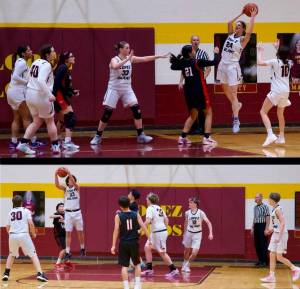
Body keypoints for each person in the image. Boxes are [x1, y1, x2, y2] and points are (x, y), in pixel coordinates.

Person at [90, 41, 169, 145]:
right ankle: (98, 136)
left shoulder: (130, 58)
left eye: (129, 48)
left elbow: (145, 58)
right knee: (107, 113)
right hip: (114, 89)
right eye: (126, 48)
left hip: (127, 88)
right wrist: (128, 59)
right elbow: (115, 66)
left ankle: (141, 135)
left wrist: (159, 56)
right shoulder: (114, 59)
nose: (129, 49)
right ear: (121, 49)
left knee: (136, 109)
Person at [216, 7, 257, 133]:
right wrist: (241, 13)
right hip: (223, 64)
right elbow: (229, 23)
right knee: (224, 88)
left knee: (234, 94)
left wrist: (252, 17)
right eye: (236, 26)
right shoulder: (230, 35)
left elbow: (249, 33)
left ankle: (236, 119)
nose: (236, 27)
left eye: (239, 26)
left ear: (243, 29)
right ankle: (237, 105)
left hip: (232, 67)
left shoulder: (243, 40)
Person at [170, 45, 220, 145]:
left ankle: (182, 137)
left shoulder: (182, 63)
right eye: (192, 50)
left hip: (188, 93)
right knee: (209, 112)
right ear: (189, 53)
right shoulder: (197, 61)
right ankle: (206, 137)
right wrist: (216, 53)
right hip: (199, 92)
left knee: (193, 115)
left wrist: (180, 55)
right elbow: (214, 62)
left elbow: (173, 66)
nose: (194, 50)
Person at [16, 44, 60, 155]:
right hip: (41, 95)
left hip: (30, 94)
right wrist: (49, 94)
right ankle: (55, 147)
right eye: (53, 51)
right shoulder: (47, 65)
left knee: (36, 121)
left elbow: (28, 78)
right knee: (50, 121)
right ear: (47, 54)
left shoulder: (36, 62)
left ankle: (23, 143)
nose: (55, 53)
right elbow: (41, 81)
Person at [2, 195, 48, 282]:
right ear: (21, 203)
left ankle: (6, 274)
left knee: (11, 254)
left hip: (12, 235)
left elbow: (7, 227)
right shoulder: (26, 210)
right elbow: (31, 223)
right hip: (23, 235)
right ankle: (40, 274)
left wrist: (12, 235)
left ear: (13, 203)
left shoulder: (10, 212)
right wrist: (33, 233)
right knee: (33, 254)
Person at [6, 45, 43, 149]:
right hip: (17, 93)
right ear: (23, 53)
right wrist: (27, 82)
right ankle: (33, 141)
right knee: (27, 119)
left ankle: (13, 142)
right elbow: (15, 77)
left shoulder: (19, 62)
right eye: (28, 50)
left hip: (12, 92)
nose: (31, 51)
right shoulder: (22, 62)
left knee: (16, 118)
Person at [111, 196, 150, 289]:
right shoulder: (135, 214)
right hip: (133, 243)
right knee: (137, 264)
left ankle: (126, 286)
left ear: (120, 206)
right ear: (129, 204)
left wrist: (113, 245)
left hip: (123, 243)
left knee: (124, 266)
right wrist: (150, 238)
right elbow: (144, 227)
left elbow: (116, 230)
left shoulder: (118, 216)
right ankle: (137, 285)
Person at [257, 42, 292, 147]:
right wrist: (277, 47)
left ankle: (270, 134)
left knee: (263, 111)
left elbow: (259, 62)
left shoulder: (275, 61)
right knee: (280, 114)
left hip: (276, 91)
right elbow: (283, 55)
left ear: (278, 54)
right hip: (286, 91)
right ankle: (281, 137)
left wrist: (260, 50)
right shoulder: (289, 63)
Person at [260, 192, 300, 283]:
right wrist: (272, 230)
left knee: (279, 257)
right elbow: (277, 224)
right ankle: (271, 276)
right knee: (271, 254)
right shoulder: (274, 209)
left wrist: (279, 236)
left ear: (272, 200)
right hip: (276, 233)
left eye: (269, 199)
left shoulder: (278, 209)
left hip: (281, 235)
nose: (268, 200)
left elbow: (282, 223)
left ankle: (295, 268)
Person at [141, 192, 179, 277]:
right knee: (147, 247)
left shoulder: (150, 208)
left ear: (150, 200)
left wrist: (140, 230)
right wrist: (164, 228)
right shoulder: (159, 208)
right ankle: (149, 269)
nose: (146, 200)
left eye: (147, 199)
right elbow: (166, 219)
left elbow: (147, 221)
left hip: (158, 233)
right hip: (157, 232)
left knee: (162, 252)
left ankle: (174, 269)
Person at [179, 36, 211, 135]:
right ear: (191, 42)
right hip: (190, 83)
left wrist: (202, 78)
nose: (195, 41)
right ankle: (193, 127)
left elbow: (208, 68)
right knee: (192, 107)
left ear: (199, 42)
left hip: (200, 82)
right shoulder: (186, 54)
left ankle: (202, 128)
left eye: (197, 40)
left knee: (202, 107)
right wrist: (180, 81)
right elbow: (183, 69)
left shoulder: (203, 54)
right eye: (194, 40)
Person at [54, 168, 85, 262]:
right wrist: (55, 175)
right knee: (68, 233)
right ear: (67, 182)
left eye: (73, 180)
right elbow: (57, 185)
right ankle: (67, 252)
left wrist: (69, 173)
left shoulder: (77, 188)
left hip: (77, 213)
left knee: (80, 232)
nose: (71, 181)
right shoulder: (66, 189)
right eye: (70, 180)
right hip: (68, 213)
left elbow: (75, 183)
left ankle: (82, 248)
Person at [53, 51, 80, 150]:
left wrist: (72, 92)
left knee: (61, 120)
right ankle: (67, 142)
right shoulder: (63, 68)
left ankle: (56, 142)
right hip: (59, 96)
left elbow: (64, 86)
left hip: (59, 96)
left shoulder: (65, 68)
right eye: (71, 56)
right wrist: (54, 97)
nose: (74, 57)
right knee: (70, 117)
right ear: (66, 59)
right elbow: (56, 83)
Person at [182, 197, 213, 273]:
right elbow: (185, 223)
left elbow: (208, 222)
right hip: (189, 233)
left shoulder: (201, 213)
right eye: (189, 202)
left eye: (190, 202)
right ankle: (184, 263)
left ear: (195, 204)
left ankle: (187, 265)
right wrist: (184, 233)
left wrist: (211, 233)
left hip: (197, 234)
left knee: (194, 253)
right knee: (186, 250)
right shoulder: (187, 213)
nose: (189, 204)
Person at [251, 193, 270, 267]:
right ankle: (260, 260)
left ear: (261, 198)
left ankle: (265, 261)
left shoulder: (265, 207)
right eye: (255, 197)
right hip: (256, 226)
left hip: (263, 226)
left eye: (257, 197)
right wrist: (252, 227)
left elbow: (268, 218)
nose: (255, 198)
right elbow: (254, 218)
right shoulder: (255, 207)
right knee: (257, 244)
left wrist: (266, 228)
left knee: (263, 244)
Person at [49, 202, 66, 269]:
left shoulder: (66, 215)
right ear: (57, 208)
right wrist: (59, 216)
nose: (62, 208)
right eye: (60, 206)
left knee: (66, 250)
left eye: (63, 206)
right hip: (58, 235)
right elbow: (50, 216)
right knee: (64, 249)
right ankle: (57, 263)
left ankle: (65, 262)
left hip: (65, 235)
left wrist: (64, 221)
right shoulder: (57, 214)